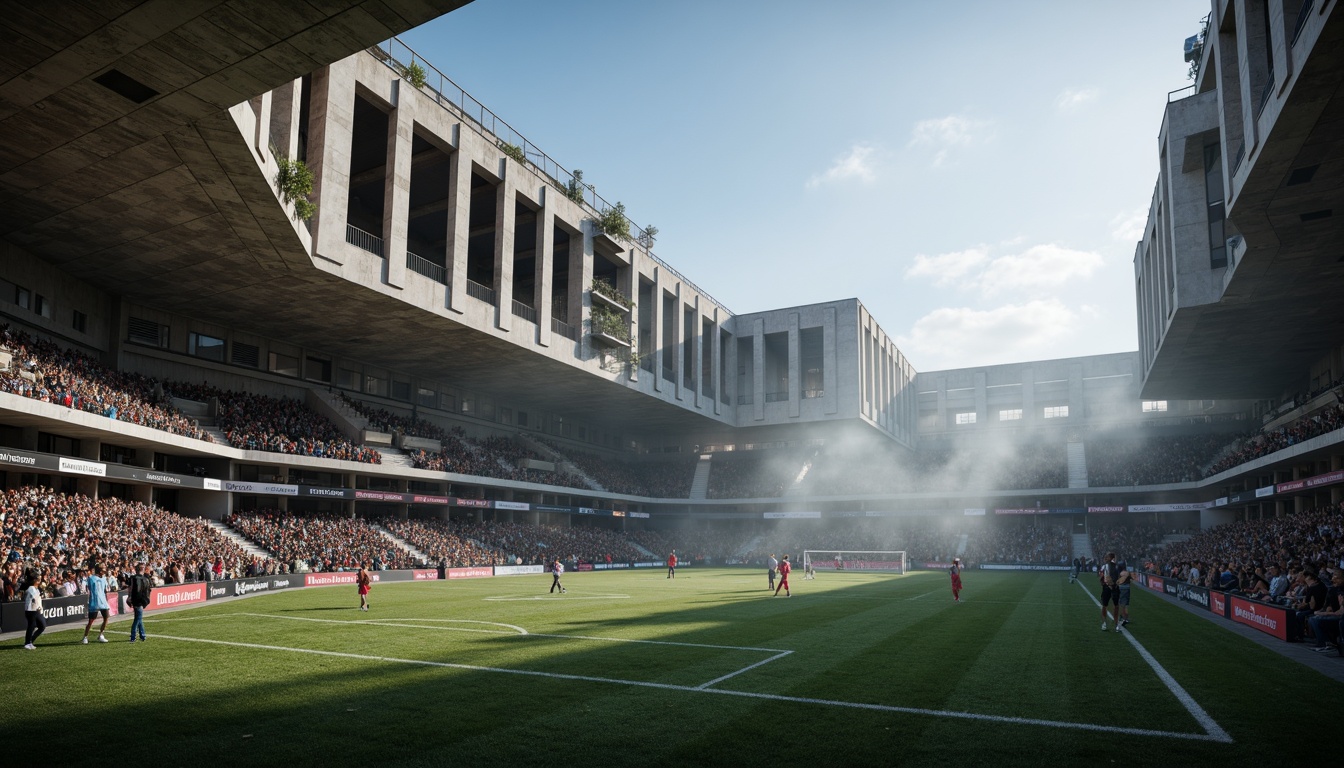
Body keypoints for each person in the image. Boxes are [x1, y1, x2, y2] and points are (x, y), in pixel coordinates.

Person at [81, 563, 111, 644]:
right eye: (104, 568)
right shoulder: (91, 578)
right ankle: (85, 636)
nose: (105, 570)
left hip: (103, 602)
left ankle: (101, 635)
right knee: (91, 621)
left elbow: (105, 590)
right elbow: (89, 589)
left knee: (106, 618)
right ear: (100, 570)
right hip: (94, 602)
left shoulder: (104, 578)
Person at [127, 563, 151, 642]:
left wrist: (129, 597)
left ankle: (142, 635)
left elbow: (130, 588)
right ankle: (133, 636)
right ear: (143, 569)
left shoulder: (133, 578)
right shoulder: (145, 579)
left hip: (135, 599)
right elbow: (148, 591)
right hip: (140, 600)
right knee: (138, 618)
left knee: (138, 617)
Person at [1099, 552, 1121, 632]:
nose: (1105, 558)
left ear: (1111, 558)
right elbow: (1100, 577)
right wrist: (1103, 582)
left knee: (1116, 606)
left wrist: (1115, 583)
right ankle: (1104, 623)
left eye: (1107, 557)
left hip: (1115, 588)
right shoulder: (1104, 567)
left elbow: (1120, 577)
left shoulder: (1117, 567)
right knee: (1104, 605)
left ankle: (1116, 624)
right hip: (1106, 588)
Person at [23, 572, 46, 650]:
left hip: (36, 610)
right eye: (38, 580)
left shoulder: (35, 588)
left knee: (42, 626)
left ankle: (30, 640)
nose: (39, 581)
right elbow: (34, 597)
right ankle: (27, 643)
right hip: (31, 610)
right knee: (31, 626)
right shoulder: (30, 588)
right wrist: (41, 591)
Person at [1116, 562, 1132, 627]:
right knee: (1125, 604)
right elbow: (1130, 579)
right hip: (1127, 588)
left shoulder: (1120, 573)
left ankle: (1123, 618)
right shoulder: (1128, 572)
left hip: (1121, 588)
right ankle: (1126, 618)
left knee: (1121, 604)